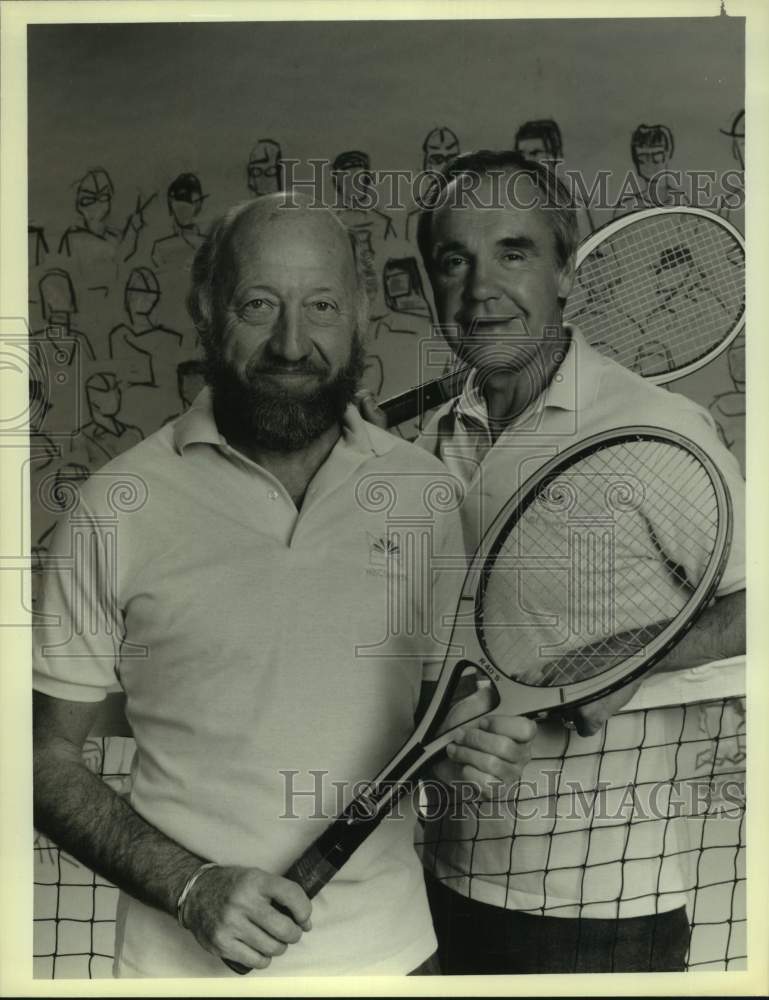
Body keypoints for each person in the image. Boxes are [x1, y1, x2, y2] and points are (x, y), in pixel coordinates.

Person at [32, 193, 537, 978]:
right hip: (175, 971)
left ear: (361, 316)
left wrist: (464, 749)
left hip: (397, 960)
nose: (292, 343)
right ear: (205, 309)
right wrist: (189, 886)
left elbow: (433, 730)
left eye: (322, 305)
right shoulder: (115, 505)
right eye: (259, 304)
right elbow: (39, 758)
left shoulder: (424, 495)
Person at [362, 149, 745, 973]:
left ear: (566, 273)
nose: (477, 288)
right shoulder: (428, 446)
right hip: (435, 884)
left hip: (601, 916)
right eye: (451, 261)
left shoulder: (659, 428)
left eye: (513, 252)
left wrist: (620, 660)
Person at [613, 124, 688, 217]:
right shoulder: (626, 208)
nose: (650, 162)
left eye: (657, 155)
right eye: (642, 156)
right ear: (636, 160)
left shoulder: (682, 203)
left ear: (668, 155)